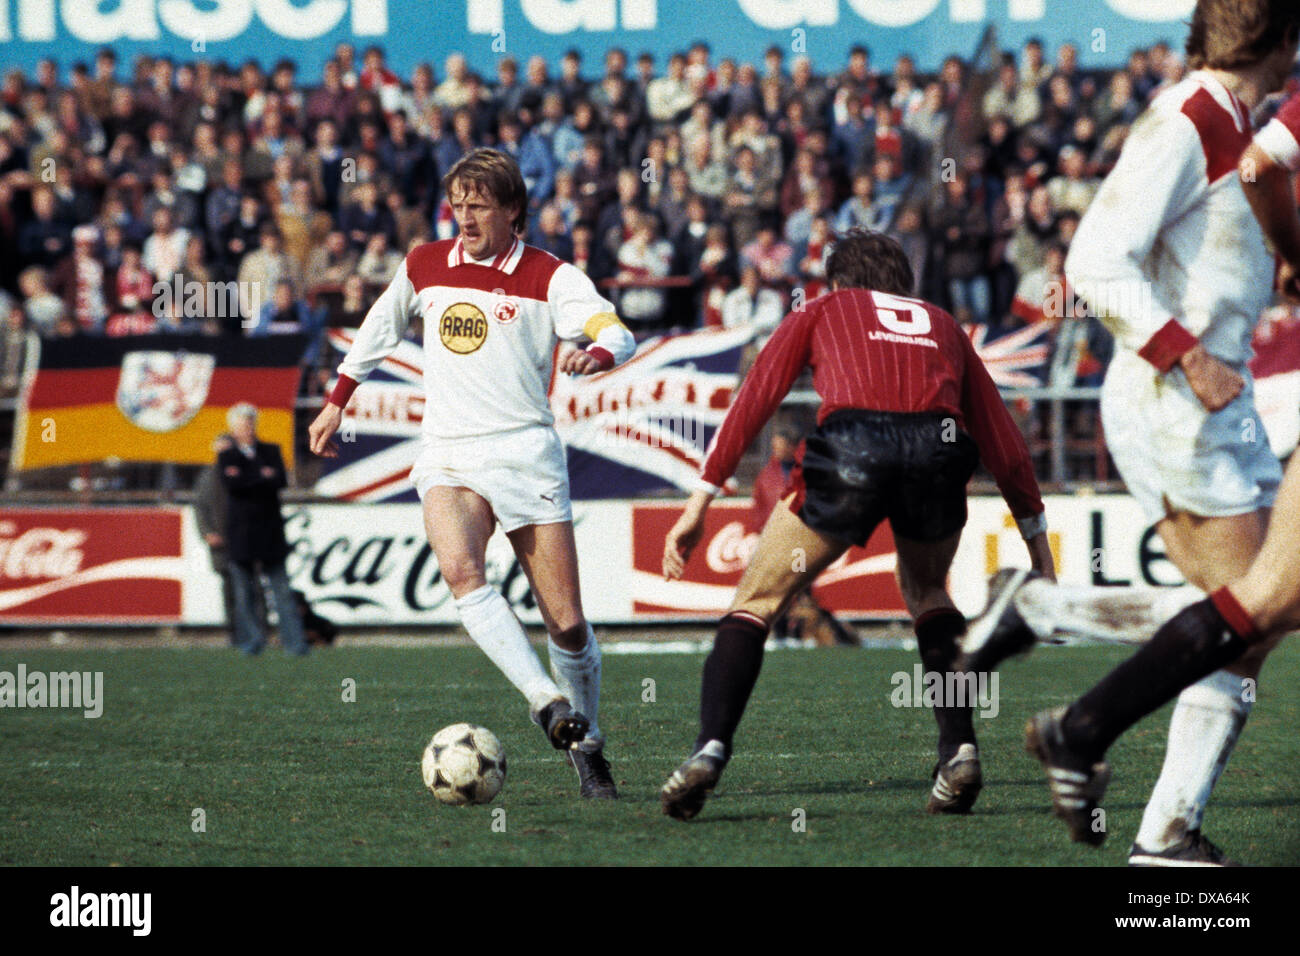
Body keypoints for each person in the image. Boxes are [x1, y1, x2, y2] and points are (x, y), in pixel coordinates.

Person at [964, 0, 1300, 866]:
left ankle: (1045, 613)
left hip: (1212, 404)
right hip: (1175, 401)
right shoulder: (1194, 117)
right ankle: (1159, 827)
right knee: (1252, 615)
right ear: (1284, 41)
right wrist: (1188, 356)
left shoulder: (1226, 118)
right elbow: (1093, 261)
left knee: (1256, 614)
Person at [657, 230, 1054, 821]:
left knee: (758, 599)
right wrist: (1038, 550)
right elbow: (1004, 442)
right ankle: (959, 750)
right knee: (926, 592)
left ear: (841, 282)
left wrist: (699, 502)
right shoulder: (944, 324)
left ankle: (710, 748)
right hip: (938, 452)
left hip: (854, 448)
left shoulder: (823, 307)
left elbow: (757, 396)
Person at [308, 148, 636, 799]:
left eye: (479, 204)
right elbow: (378, 326)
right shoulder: (425, 264)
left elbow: (613, 327)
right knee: (462, 573)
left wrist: (598, 351)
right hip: (449, 453)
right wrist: (336, 399)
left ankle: (588, 746)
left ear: (513, 210)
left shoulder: (550, 275)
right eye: (457, 204)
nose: (464, 216)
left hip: (525, 454)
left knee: (566, 621)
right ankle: (545, 702)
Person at [219, 403, 309, 657]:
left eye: (249, 423)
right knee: (244, 591)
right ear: (232, 428)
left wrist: (249, 478)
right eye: (240, 424)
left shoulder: (271, 450)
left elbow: (278, 480)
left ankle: (294, 644)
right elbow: (233, 485)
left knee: (281, 589)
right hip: (241, 534)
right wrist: (261, 477)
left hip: (269, 531)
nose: (245, 429)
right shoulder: (227, 456)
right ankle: (250, 643)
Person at [194, 433, 265, 646]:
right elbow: (200, 508)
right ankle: (235, 635)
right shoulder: (208, 477)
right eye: (220, 450)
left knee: (253, 589)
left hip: (246, 542)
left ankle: (259, 634)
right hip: (222, 546)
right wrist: (207, 533)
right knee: (230, 591)